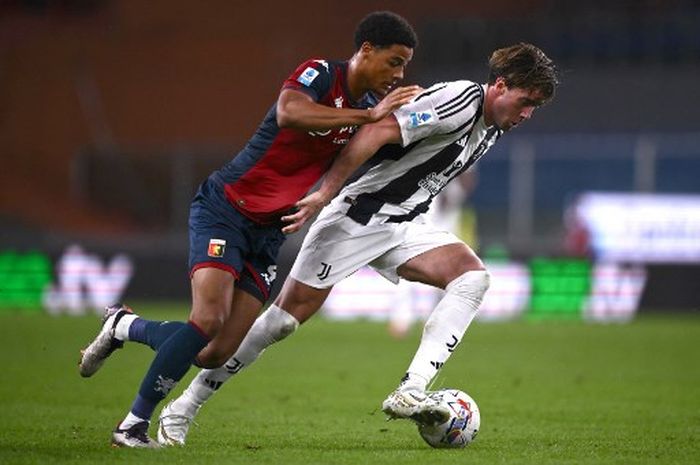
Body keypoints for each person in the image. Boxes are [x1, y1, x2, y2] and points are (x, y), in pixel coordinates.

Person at [158, 42, 559, 446]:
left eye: (535, 108)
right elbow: (378, 129)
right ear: (501, 85)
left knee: (472, 278)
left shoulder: (492, 128)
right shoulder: (458, 100)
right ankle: (183, 407)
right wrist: (325, 192)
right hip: (358, 218)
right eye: (526, 102)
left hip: (404, 224)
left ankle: (412, 388)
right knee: (280, 322)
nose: (527, 114)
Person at [78, 11, 419, 448]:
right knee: (206, 319)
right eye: (395, 61)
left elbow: (355, 157)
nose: (400, 73)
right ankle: (132, 425)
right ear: (366, 51)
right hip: (227, 210)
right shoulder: (319, 74)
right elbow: (289, 112)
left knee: (213, 351)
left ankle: (124, 326)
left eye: (405, 65)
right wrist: (367, 117)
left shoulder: (370, 109)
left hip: (270, 232)